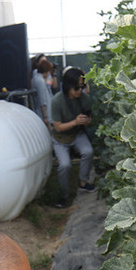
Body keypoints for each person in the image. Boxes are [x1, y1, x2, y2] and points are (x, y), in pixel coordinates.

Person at [50, 66, 95, 207]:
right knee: (64, 165)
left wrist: (86, 121)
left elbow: (90, 120)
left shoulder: (84, 99)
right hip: (60, 138)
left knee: (88, 152)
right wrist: (75, 122)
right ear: (68, 87)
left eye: (82, 87)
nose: (80, 91)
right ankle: (63, 195)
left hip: (76, 134)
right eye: (76, 88)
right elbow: (58, 127)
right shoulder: (57, 101)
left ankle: (83, 182)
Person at [31, 58, 54, 131]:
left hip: (41, 113)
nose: (49, 74)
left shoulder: (35, 79)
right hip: (44, 115)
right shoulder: (40, 81)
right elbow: (42, 100)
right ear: (46, 71)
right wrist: (45, 117)